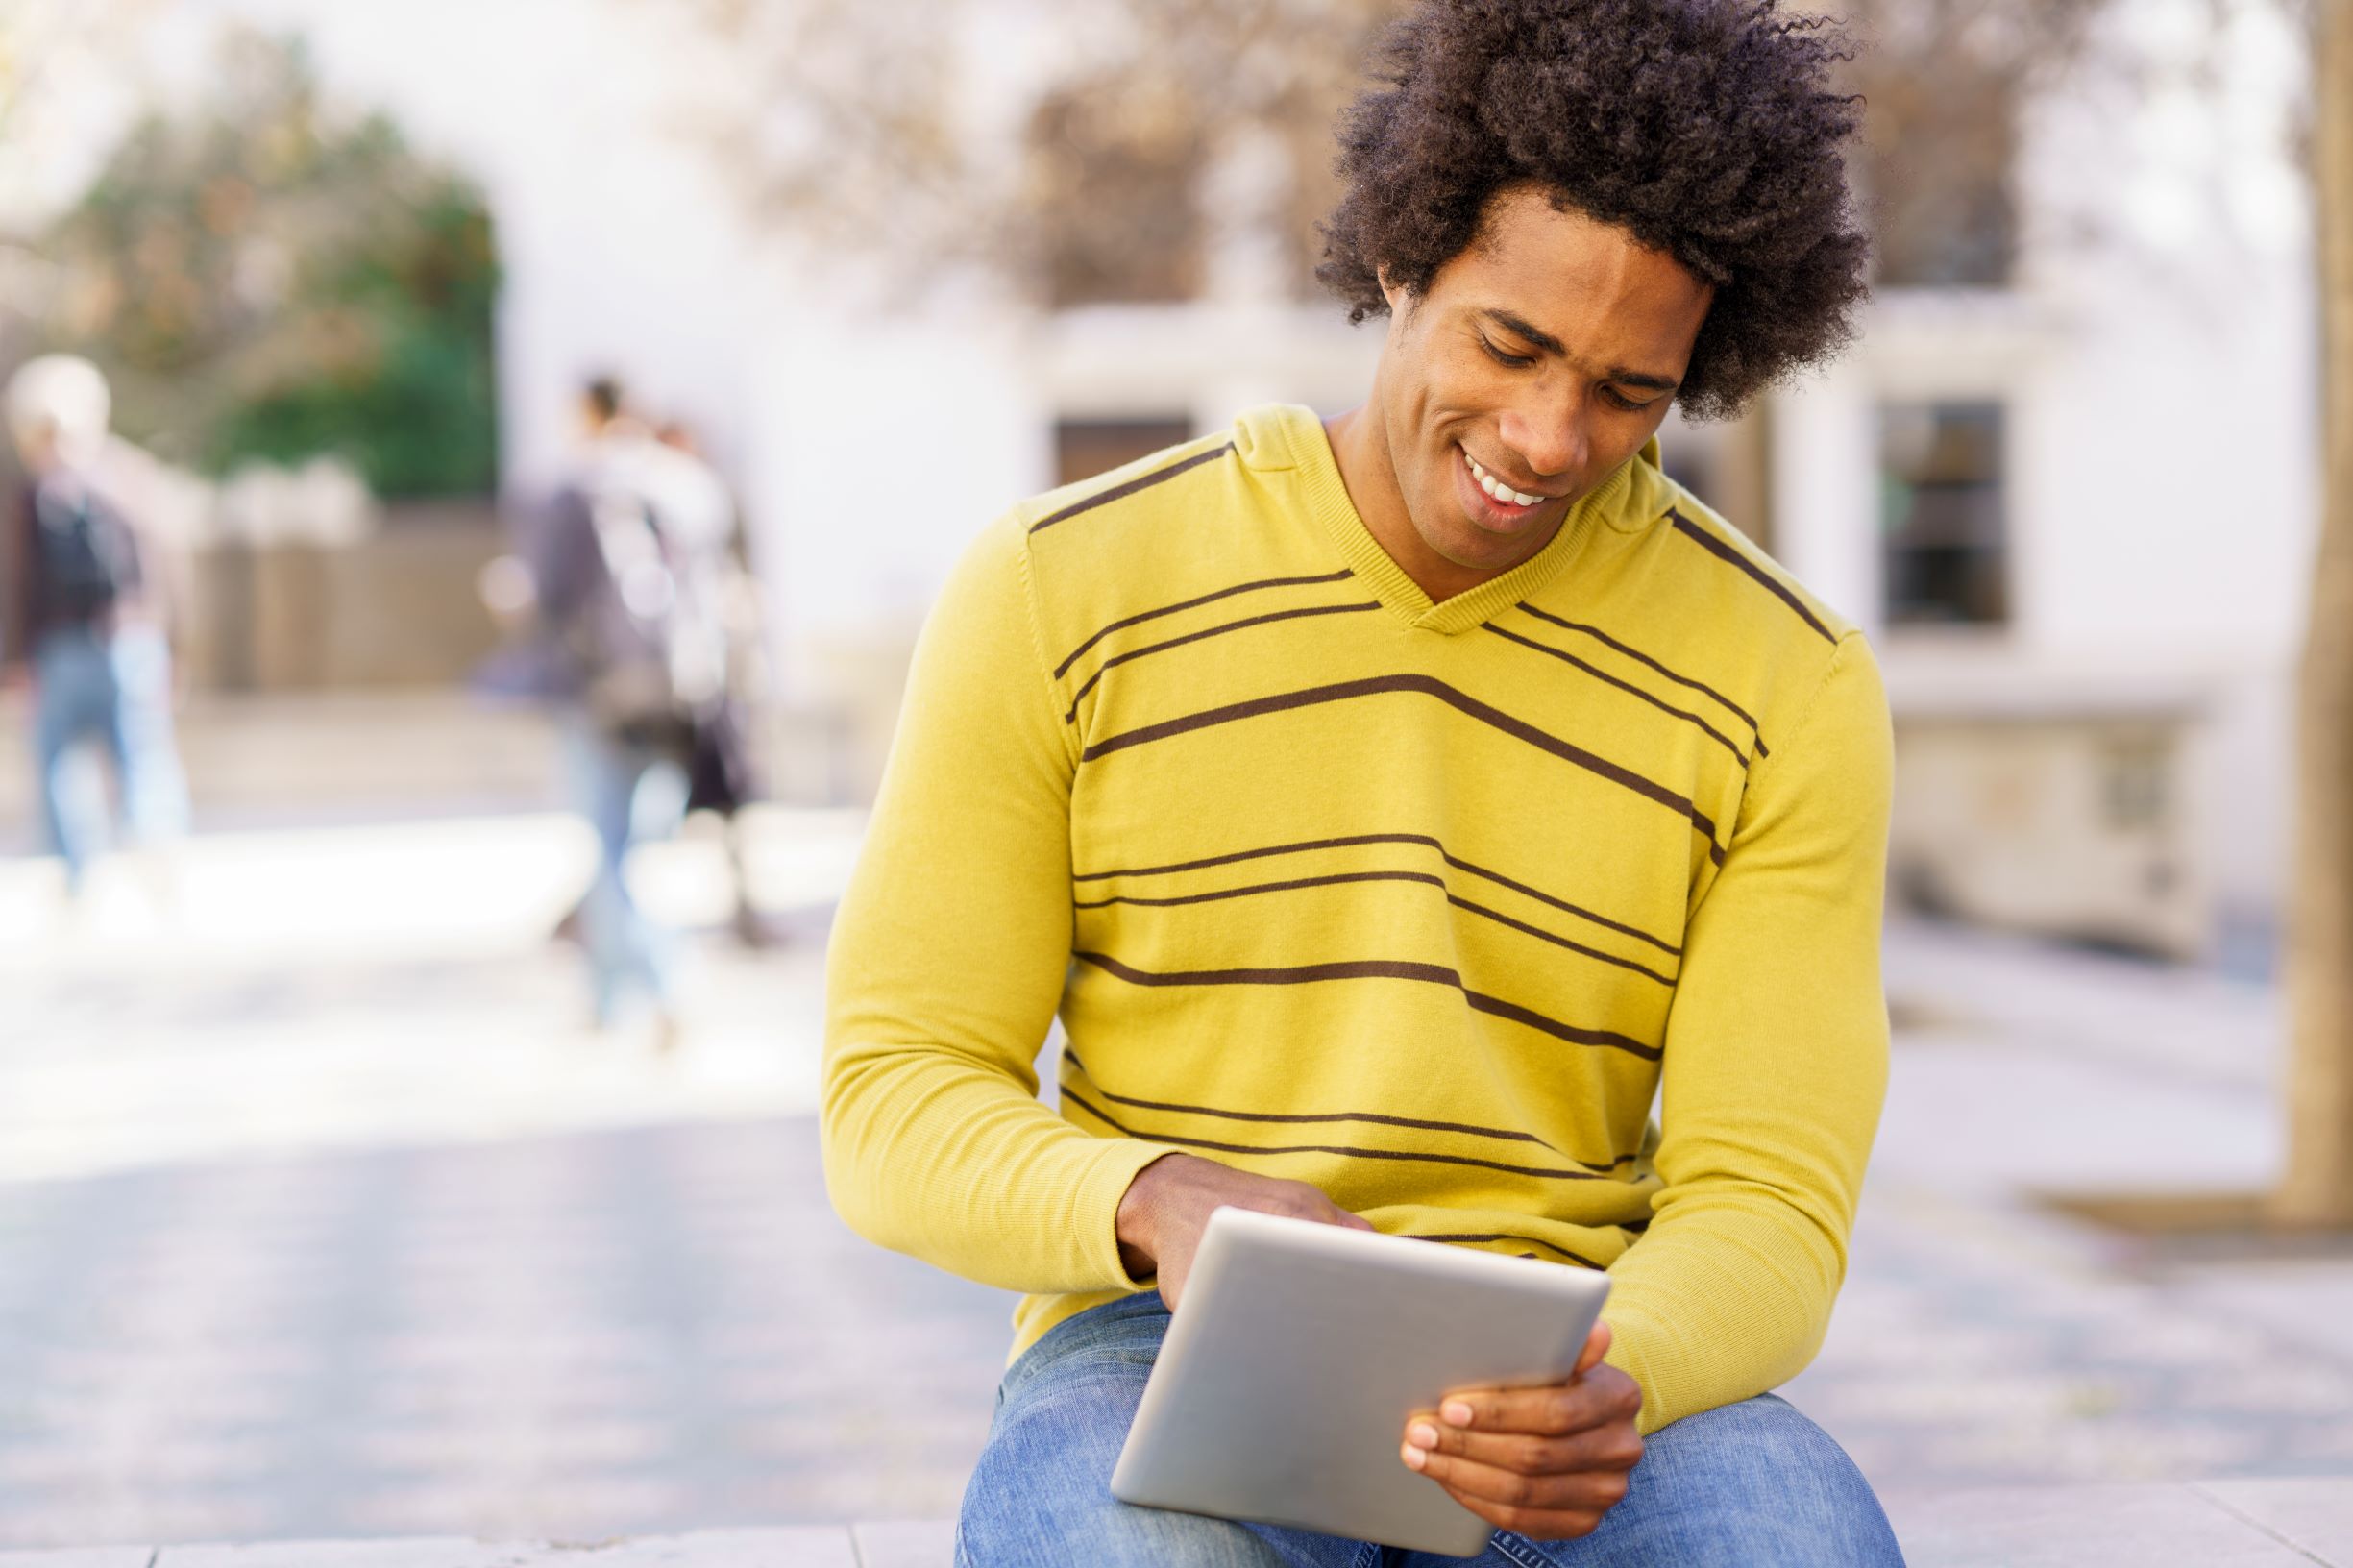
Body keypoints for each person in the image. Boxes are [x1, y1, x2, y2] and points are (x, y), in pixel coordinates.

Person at [824, 1, 1900, 1563]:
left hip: (1582, 1356)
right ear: (1402, 261)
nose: (1545, 437)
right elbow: (893, 1095)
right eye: (1509, 343)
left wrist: (1611, 1377)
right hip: (1160, 1339)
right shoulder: (1062, 588)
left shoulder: (1782, 680)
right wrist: (1158, 1200)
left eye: (1625, 391)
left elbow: (1768, 1203)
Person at [523, 377, 738, 1045]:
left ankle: (661, 986)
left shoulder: (574, 487)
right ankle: (606, 997)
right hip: (684, 689)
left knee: (612, 848)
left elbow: (549, 593)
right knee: (644, 844)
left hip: (599, 695)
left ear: (589, 412)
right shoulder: (691, 485)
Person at [1, 354, 190, 899]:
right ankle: (137, 857)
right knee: (127, 753)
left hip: (93, 644)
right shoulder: (126, 477)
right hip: (114, 642)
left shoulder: (42, 491)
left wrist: (15, 659)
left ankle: (105, 865)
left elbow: (15, 584)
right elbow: (169, 565)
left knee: (90, 758)